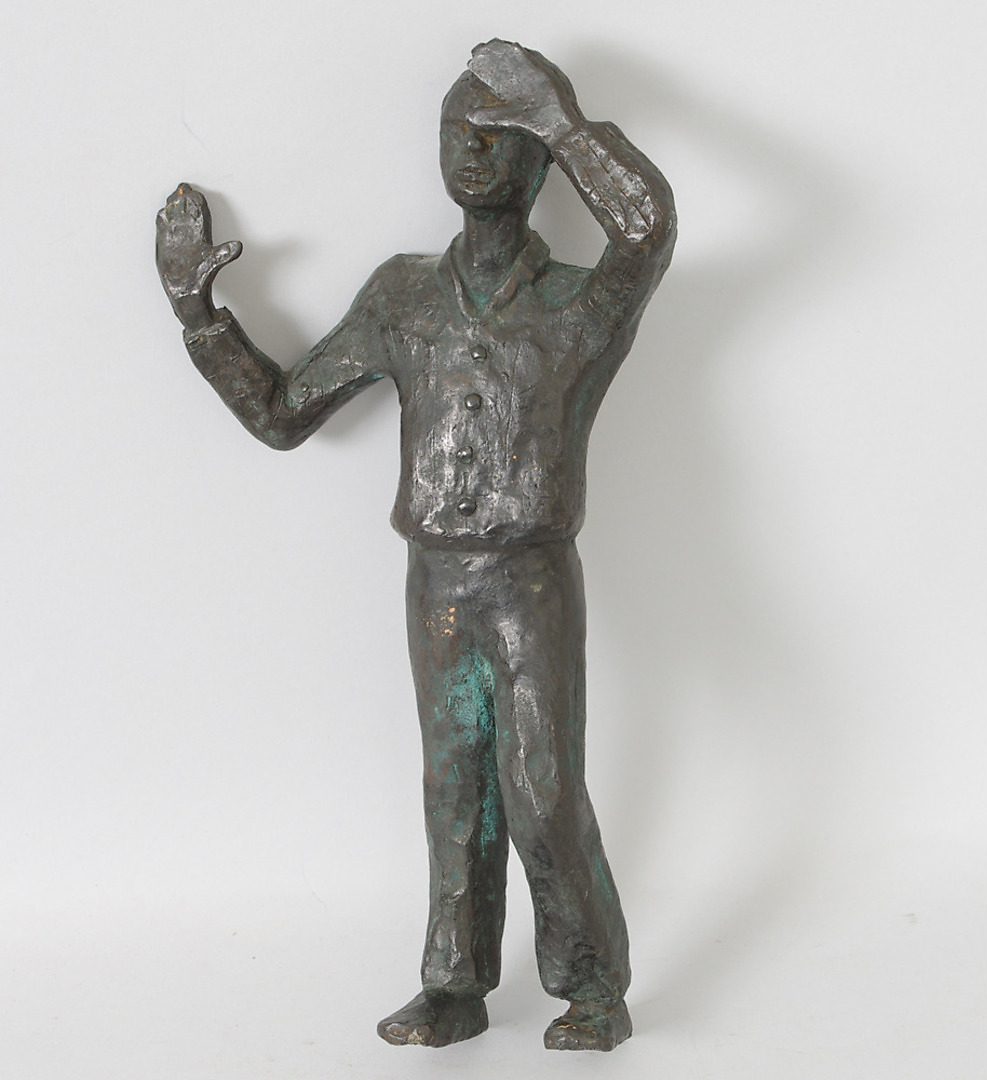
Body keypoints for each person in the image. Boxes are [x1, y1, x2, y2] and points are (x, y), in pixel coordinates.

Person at [156, 39, 675, 1051]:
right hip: (435, 578)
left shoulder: (581, 301)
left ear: (538, 161)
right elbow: (282, 414)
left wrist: (563, 120)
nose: (471, 150)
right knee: (453, 784)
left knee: (540, 788)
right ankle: (453, 985)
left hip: (530, 578)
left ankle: (591, 986)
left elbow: (648, 228)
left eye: (497, 134)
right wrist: (196, 314)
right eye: (454, 132)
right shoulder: (402, 295)